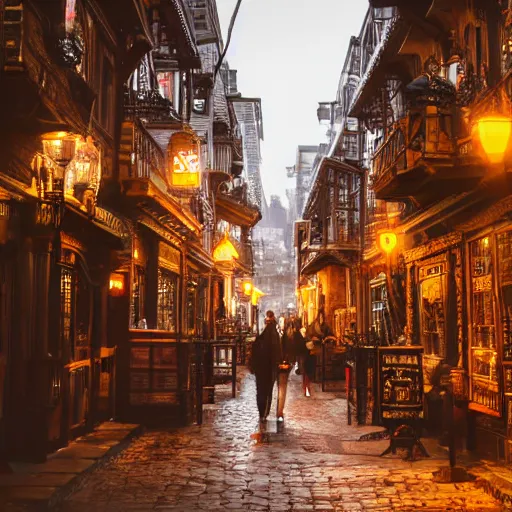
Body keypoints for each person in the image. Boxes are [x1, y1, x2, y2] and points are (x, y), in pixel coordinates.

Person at [249, 310, 282, 423]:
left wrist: (253, 365)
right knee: (267, 390)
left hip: (261, 368)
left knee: (261, 390)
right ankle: (264, 413)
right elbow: (277, 352)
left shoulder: (261, 338)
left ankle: (262, 412)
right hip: (268, 368)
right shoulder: (273, 336)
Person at [304, 310, 334, 397]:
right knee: (314, 363)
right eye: (320, 316)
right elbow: (308, 335)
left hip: (323, 347)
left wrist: (328, 338)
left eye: (322, 316)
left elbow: (330, 333)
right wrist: (313, 338)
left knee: (322, 363)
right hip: (315, 347)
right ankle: (314, 377)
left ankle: (321, 377)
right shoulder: (313, 325)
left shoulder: (326, 326)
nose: (321, 318)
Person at [276, 319, 296, 421]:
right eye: (280, 321)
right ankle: (278, 411)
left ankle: (279, 412)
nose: (281, 323)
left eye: (282, 322)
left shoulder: (288, 336)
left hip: (283, 365)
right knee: (280, 388)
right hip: (278, 364)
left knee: (282, 388)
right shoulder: (277, 334)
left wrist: (288, 362)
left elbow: (290, 349)